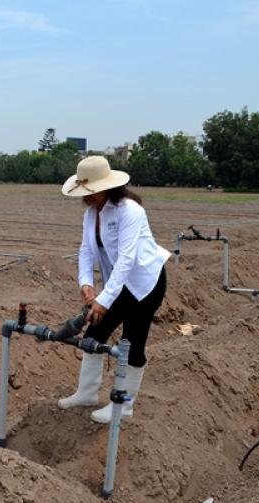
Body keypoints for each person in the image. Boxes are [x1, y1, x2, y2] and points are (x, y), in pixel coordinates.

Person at [57, 156, 170, 423]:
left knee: (132, 342)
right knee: (95, 332)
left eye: (92, 191)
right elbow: (86, 250)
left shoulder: (129, 211)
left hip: (145, 283)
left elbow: (127, 258)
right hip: (119, 283)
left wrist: (105, 299)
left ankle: (124, 404)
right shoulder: (91, 214)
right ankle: (86, 393)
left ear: (107, 186)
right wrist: (86, 284)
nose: (88, 197)